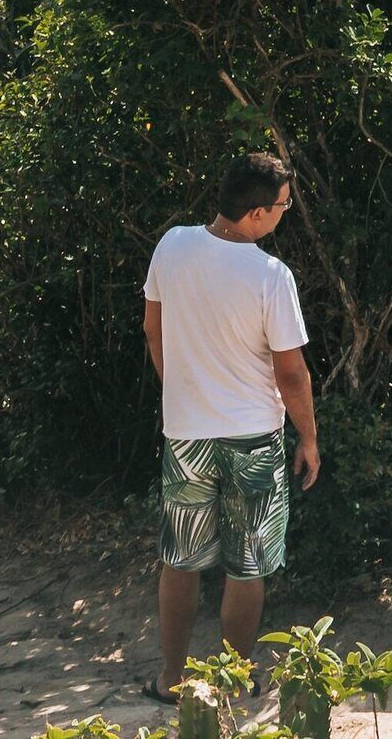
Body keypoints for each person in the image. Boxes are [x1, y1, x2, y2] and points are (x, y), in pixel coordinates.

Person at [147, 153, 320, 702]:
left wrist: (179, 387)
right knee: (246, 567)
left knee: (181, 559)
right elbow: (290, 373)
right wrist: (310, 438)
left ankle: (173, 679)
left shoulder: (171, 246)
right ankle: (232, 682)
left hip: (186, 435)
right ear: (255, 213)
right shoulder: (271, 276)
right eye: (282, 207)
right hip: (252, 441)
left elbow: (153, 328)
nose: (283, 215)